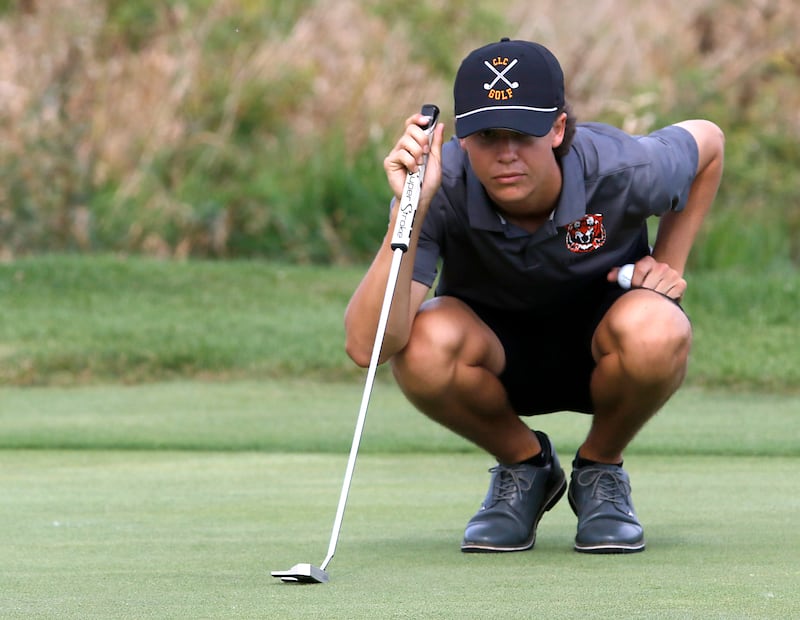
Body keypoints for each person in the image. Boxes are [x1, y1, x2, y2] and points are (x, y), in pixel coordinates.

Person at [344, 38, 724, 554]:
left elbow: (708, 141)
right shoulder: (439, 185)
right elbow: (370, 348)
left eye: (523, 133)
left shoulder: (621, 167)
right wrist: (409, 205)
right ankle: (526, 467)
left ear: (558, 128)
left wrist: (669, 262)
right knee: (424, 341)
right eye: (487, 135)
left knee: (659, 327)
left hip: (606, 349)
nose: (506, 154)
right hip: (494, 359)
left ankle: (600, 469)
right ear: (459, 137)